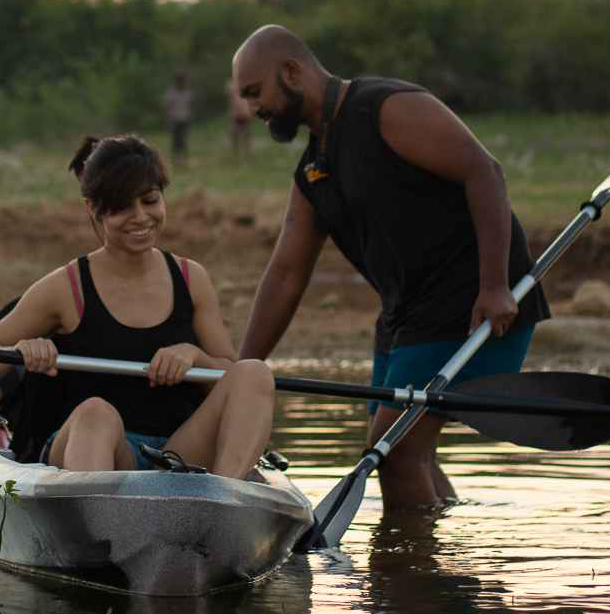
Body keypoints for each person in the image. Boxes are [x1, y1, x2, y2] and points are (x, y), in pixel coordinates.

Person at [232, 25, 550, 511]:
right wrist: (243, 369)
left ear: (292, 72)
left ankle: (415, 584)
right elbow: (285, 274)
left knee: (395, 453)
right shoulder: (313, 169)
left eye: (256, 92)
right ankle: (439, 553)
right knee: (409, 453)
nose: (253, 109)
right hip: (403, 319)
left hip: (471, 306)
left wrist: (495, 287)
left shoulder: (385, 107)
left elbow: (483, 171)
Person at [0, 133, 274, 478]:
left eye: (150, 200)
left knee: (255, 373)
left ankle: (227, 505)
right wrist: (23, 349)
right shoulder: (65, 287)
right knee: (97, 413)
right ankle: (95, 522)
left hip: (177, 449)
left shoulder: (191, 278)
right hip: (95, 447)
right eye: (122, 206)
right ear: (92, 209)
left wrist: (194, 356)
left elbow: (230, 376)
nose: (141, 217)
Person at [163, 71, 193, 161]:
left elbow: (189, 105)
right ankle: (175, 159)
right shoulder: (172, 92)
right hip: (175, 118)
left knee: (183, 139)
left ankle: (184, 159)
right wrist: (168, 118)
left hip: (184, 118)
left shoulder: (187, 92)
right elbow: (168, 106)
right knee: (175, 140)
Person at [226, 77, 252, 159]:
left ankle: (247, 154)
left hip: (244, 112)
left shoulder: (246, 82)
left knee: (245, 133)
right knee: (235, 133)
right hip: (236, 112)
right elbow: (230, 99)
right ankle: (236, 153)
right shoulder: (231, 84)